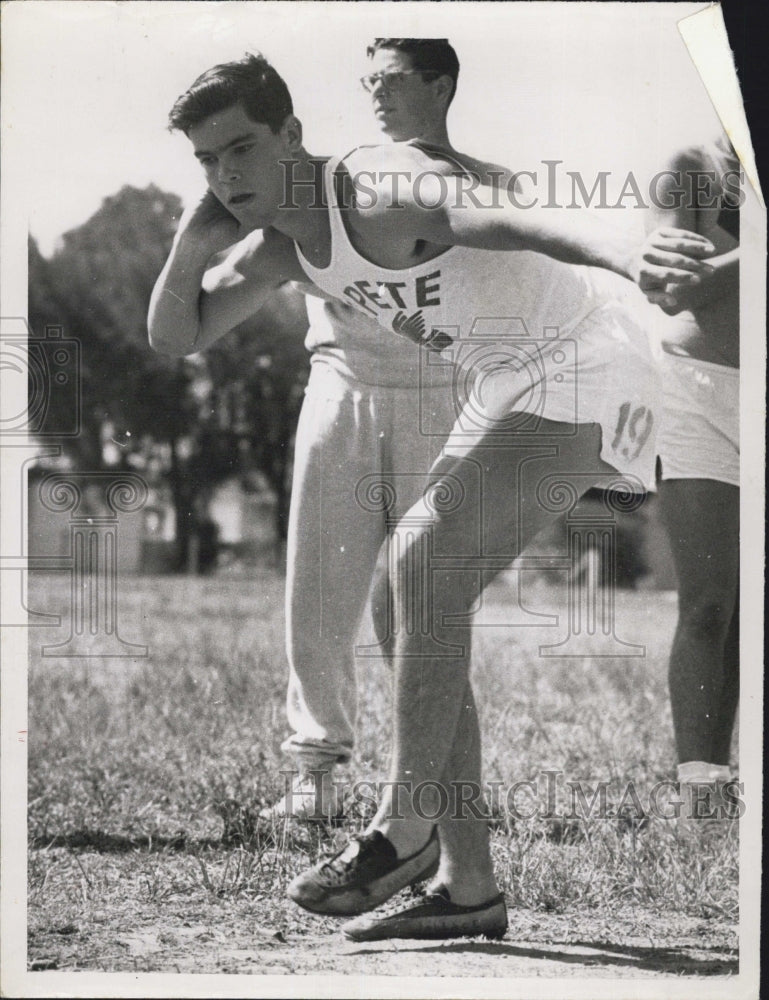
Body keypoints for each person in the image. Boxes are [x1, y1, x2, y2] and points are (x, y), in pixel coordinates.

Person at [148, 51, 713, 940]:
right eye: (209, 160)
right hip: (511, 380)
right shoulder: (284, 249)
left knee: (426, 557)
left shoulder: (376, 185)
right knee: (397, 602)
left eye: (244, 148)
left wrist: (624, 250)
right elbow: (177, 334)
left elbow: (494, 216)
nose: (228, 173)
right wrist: (191, 238)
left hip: (594, 359)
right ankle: (467, 885)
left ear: (293, 134)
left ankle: (401, 827)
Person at [270, 40, 467, 820]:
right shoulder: (338, 175)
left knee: (430, 596)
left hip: (440, 393)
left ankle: (430, 785)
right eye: (368, 80)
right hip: (342, 384)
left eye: (390, 78)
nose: (374, 93)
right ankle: (312, 775)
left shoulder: (471, 181)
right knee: (320, 589)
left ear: (438, 84)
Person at [644, 135, 740, 816]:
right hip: (695, 390)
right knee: (707, 604)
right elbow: (673, 290)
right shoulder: (691, 167)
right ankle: (703, 796)